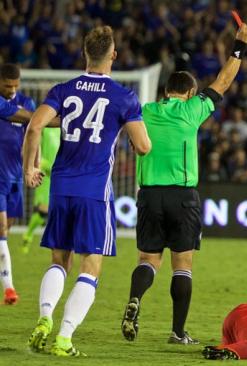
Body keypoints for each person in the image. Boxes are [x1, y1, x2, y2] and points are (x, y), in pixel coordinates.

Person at [23, 25, 151, 357]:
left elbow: (35, 124)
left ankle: (44, 318)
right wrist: (125, 122)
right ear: (113, 55)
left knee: (58, 260)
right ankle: (64, 339)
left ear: (85, 54)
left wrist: (30, 168)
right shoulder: (124, 96)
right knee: (90, 267)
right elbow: (143, 147)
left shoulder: (64, 90)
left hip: (61, 188)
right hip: (94, 191)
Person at [121, 22, 247, 345]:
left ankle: (135, 299)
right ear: (190, 93)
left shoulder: (145, 111)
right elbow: (223, 80)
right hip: (183, 197)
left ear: (166, 91)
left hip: (149, 195)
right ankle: (178, 332)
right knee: (182, 265)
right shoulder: (194, 110)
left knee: (148, 261)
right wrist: (239, 46)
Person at [0, 63, 36, 304]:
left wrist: (33, 165)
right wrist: (46, 118)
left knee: (6, 231)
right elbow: (33, 119)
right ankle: (9, 288)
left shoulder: (28, 101)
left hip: (15, 177)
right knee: (1, 230)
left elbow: (34, 132)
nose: (12, 90)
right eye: (6, 86)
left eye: (15, 85)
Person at [21, 126, 61, 253]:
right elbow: (35, 144)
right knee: (43, 209)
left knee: (55, 210)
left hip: (59, 173)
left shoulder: (63, 128)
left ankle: (55, 241)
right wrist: (40, 163)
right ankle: (28, 235)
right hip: (45, 174)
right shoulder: (45, 127)